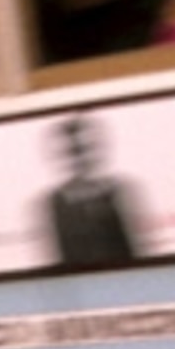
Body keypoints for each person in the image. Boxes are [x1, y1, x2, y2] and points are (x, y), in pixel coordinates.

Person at [42, 114, 143, 269]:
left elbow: (134, 247)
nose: (82, 158)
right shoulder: (57, 201)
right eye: (75, 152)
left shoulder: (117, 191)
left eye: (86, 149)